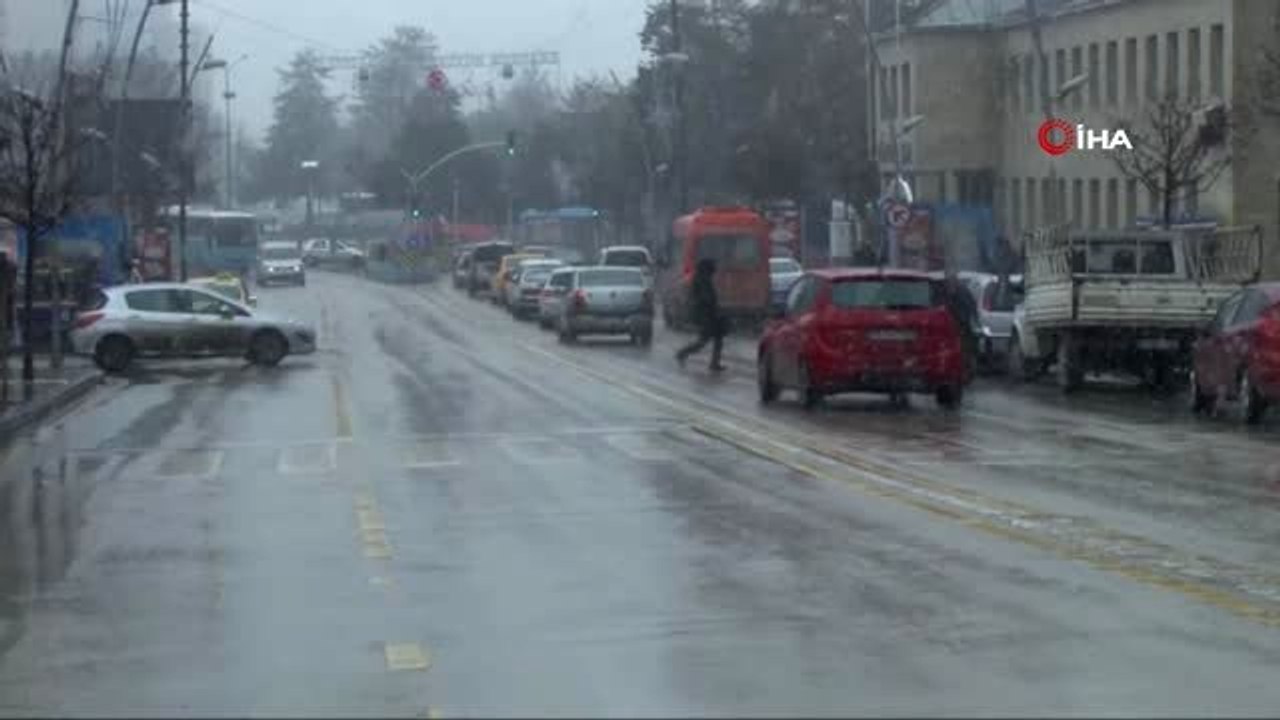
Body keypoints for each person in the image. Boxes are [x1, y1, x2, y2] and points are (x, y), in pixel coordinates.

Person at [676, 258, 726, 372]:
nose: (715, 270)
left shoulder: (703, 278)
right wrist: (713, 307)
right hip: (706, 314)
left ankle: (714, 363)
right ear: (707, 269)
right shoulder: (702, 279)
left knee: (716, 338)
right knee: (703, 340)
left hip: (708, 313)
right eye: (712, 268)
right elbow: (705, 297)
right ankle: (682, 353)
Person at [943, 274, 979, 377]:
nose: (950, 285)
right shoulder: (945, 293)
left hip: (961, 325)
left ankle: (964, 371)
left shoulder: (962, 292)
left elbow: (971, 306)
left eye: (952, 282)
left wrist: (972, 319)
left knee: (964, 349)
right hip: (950, 327)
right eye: (949, 283)